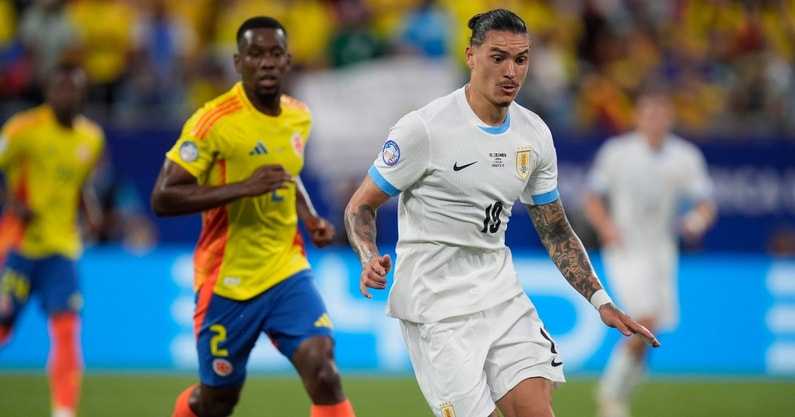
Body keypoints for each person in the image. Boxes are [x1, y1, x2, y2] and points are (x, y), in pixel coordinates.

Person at [343, 8, 660, 417]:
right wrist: (368, 257)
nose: (511, 71)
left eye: (521, 59)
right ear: (470, 56)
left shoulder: (534, 134)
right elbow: (360, 205)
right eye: (498, 57)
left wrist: (600, 300)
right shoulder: (424, 128)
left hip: (501, 296)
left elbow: (557, 231)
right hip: (437, 309)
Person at [150, 16, 356, 417]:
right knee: (217, 403)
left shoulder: (299, 116)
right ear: (238, 62)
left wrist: (310, 216)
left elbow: (287, 173)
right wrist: (244, 187)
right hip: (227, 280)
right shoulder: (213, 122)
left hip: (285, 270)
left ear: (287, 61)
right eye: (255, 54)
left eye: (274, 54)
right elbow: (163, 197)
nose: (266, 62)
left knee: (325, 373)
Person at [583, 86, 716, 417]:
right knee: (644, 320)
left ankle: (619, 397)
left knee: (651, 332)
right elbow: (592, 197)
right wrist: (606, 227)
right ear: (637, 116)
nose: (655, 120)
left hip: (662, 251)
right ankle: (610, 398)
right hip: (626, 249)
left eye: (661, 113)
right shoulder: (617, 153)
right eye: (649, 113)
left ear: (670, 117)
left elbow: (705, 203)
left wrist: (696, 222)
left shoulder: (686, 157)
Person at [0, 63, 105, 417]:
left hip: (63, 249)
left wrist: (90, 210)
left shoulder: (91, 137)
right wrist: (13, 202)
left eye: (75, 89)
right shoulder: (23, 130)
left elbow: (78, 182)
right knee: (2, 326)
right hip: (20, 244)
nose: (69, 96)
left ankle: (63, 411)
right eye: (62, 89)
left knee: (66, 330)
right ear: (48, 92)